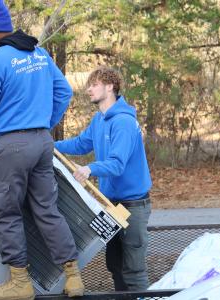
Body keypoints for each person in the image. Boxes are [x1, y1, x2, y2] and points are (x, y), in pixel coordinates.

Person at [0, 0, 85, 299]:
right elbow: (64, 91)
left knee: (6, 212)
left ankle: (20, 284)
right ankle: (74, 277)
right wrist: (45, 122)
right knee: (47, 209)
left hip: (12, 146)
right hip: (42, 142)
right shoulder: (39, 52)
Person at [55, 66, 152, 291]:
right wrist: (48, 145)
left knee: (134, 270)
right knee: (115, 265)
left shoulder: (124, 122)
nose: (88, 89)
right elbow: (80, 144)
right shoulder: (99, 120)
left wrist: (89, 169)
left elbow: (117, 164)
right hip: (110, 205)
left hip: (133, 206)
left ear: (110, 86)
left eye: (94, 84)